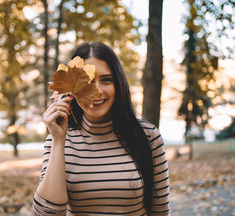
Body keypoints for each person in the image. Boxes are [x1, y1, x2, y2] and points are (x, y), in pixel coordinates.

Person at [33, 42, 170, 215]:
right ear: (71, 89)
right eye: (86, 81)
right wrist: (59, 141)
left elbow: (160, 212)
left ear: (119, 84)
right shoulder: (57, 139)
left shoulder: (149, 136)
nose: (96, 91)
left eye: (106, 80)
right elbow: (47, 214)